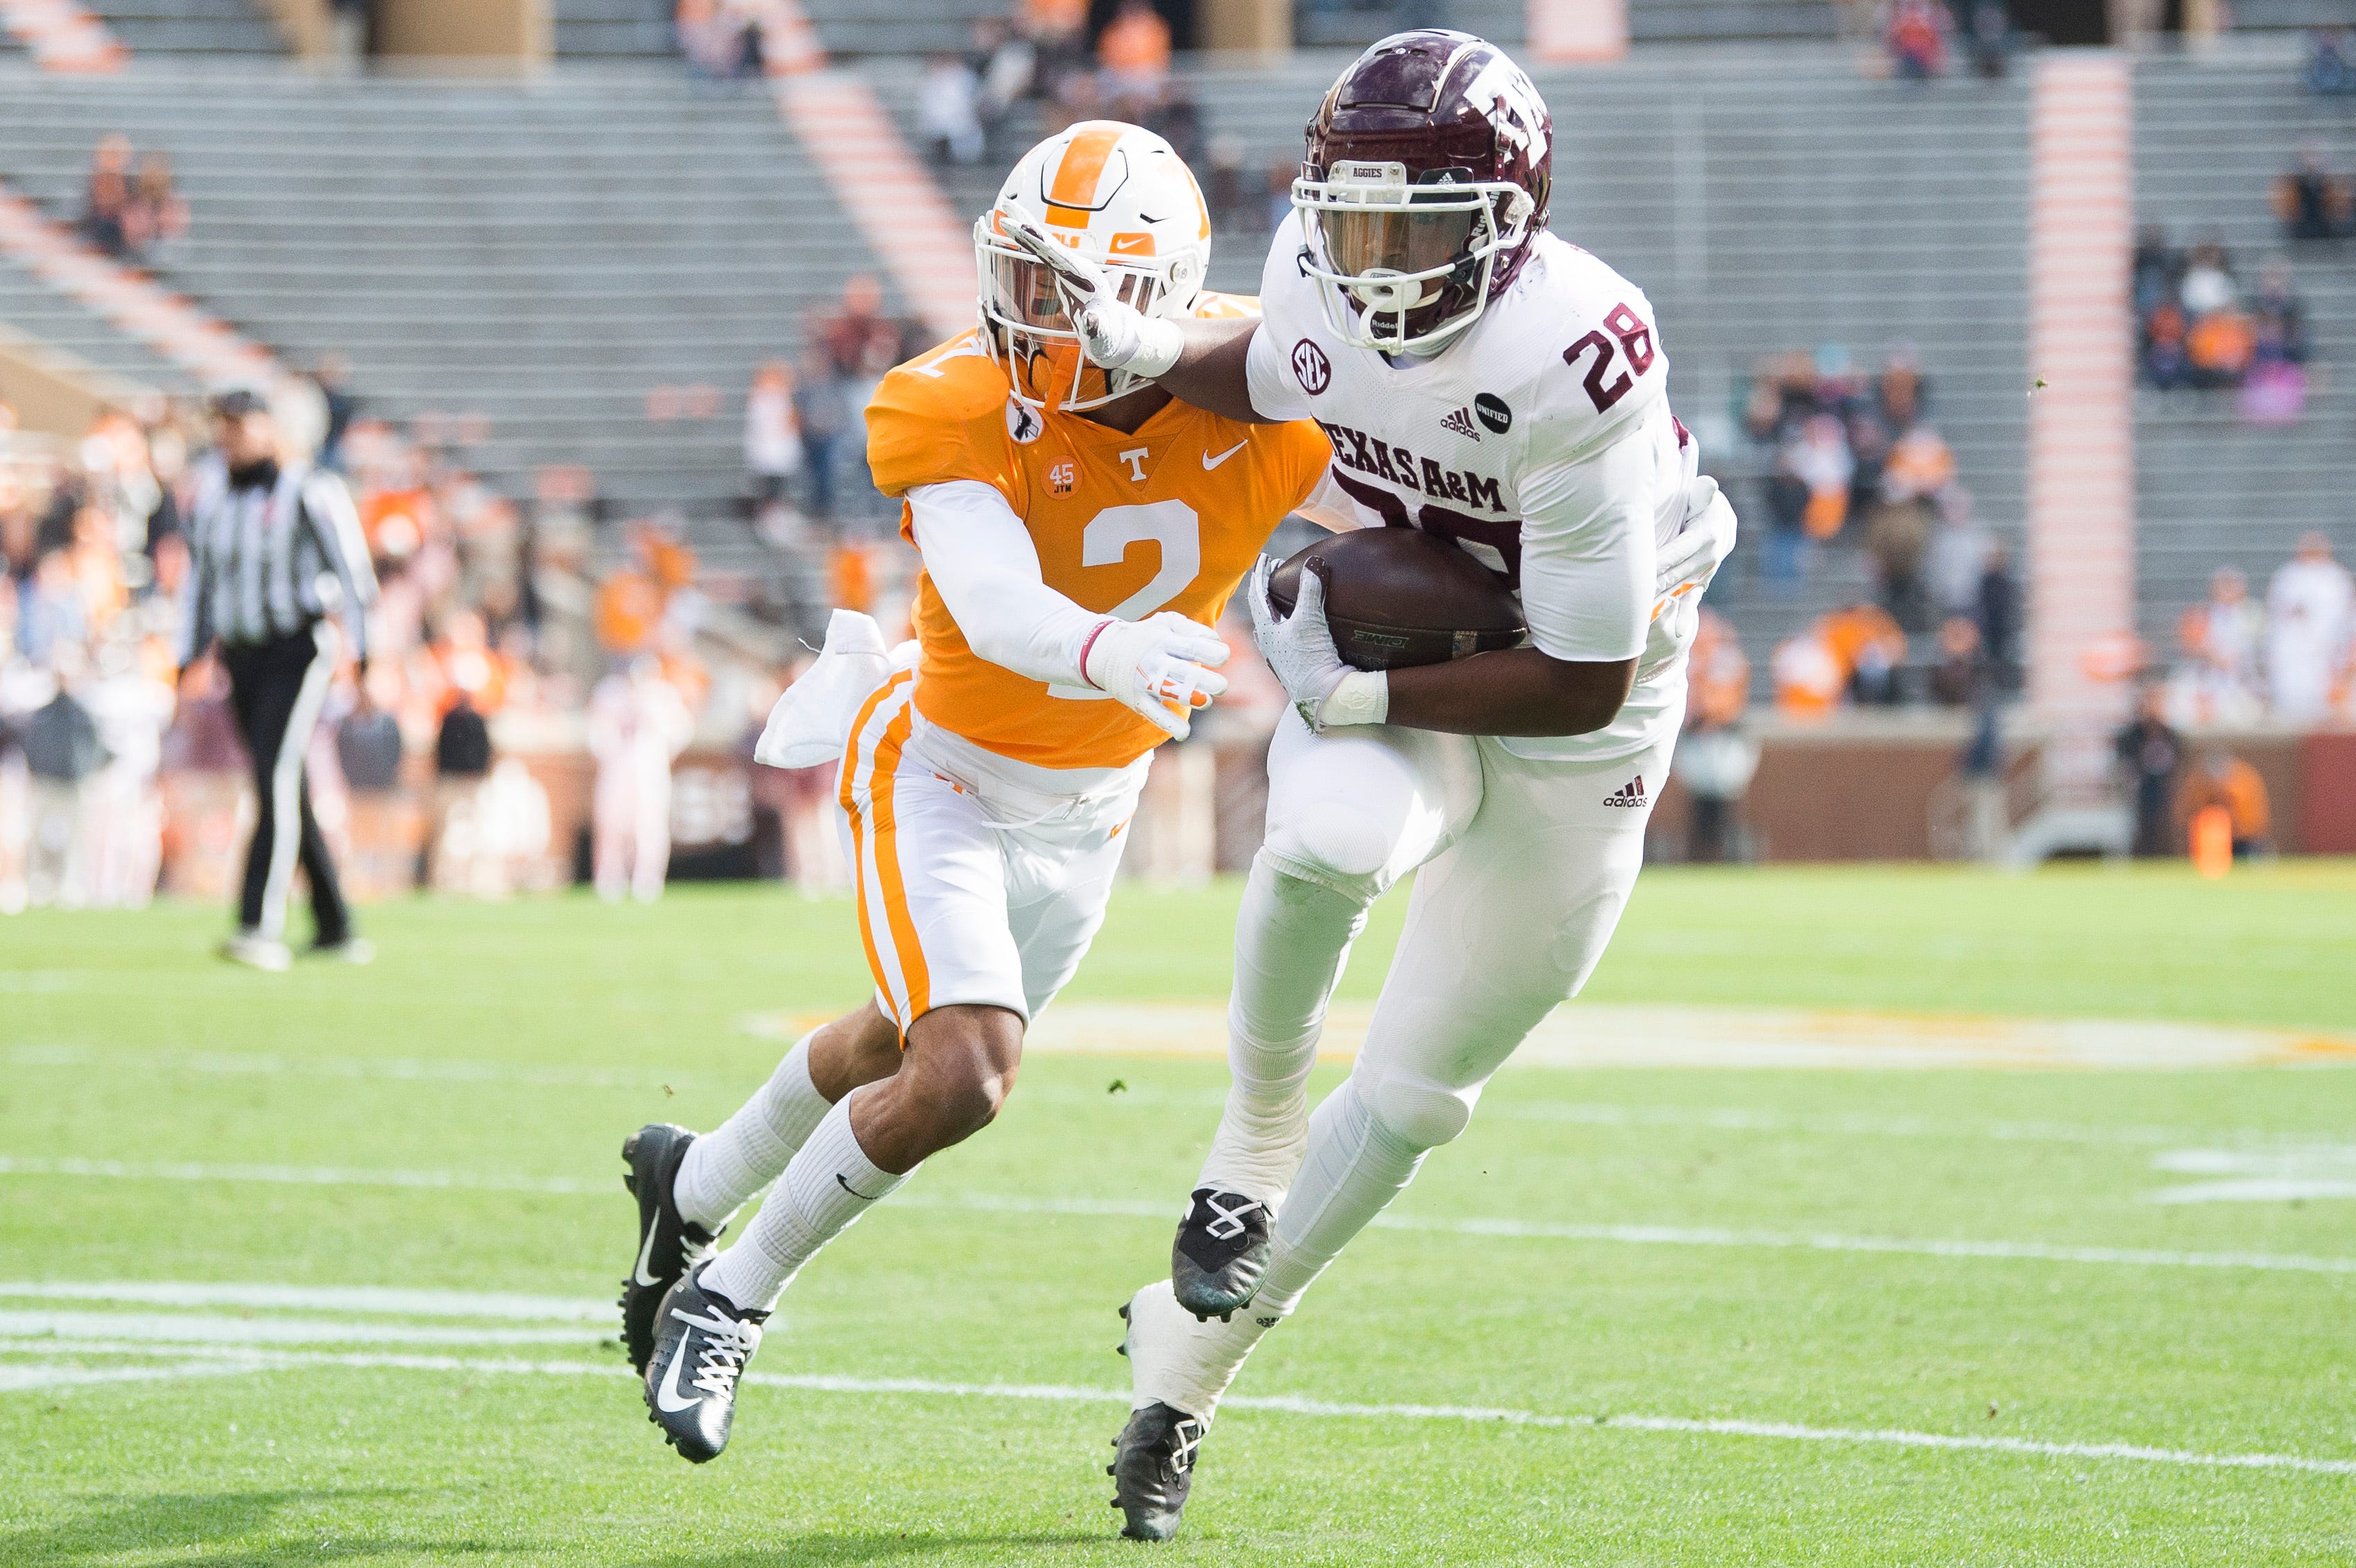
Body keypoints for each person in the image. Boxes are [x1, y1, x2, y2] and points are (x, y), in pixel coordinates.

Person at [1005, 33, 1738, 1537]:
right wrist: (1155, 358)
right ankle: (1249, 1142)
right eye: (1351, 220)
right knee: (1331, 830)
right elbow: (1280, 368)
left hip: (1581, 710)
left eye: (1413, 228)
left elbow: (1582, 675)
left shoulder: (1578, 350)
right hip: (1414, 637)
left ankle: (1185, 1373)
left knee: (1417, 1096)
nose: (1374, 258)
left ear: (1510, 226)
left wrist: (1358, 687)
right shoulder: (1314, 265)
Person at [616, 122, 1347, 1470]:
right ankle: (731, 1294)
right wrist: (1113, 648)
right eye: (1015, 277)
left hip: (1094, 805)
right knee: (965, 1070)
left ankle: (693, 1179)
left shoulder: (1275, 386)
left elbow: (1412, 493)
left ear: (1147, 298)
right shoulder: (948, 401)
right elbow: (996, 603)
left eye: (1056, 289)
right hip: (940, 764)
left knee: (905, 1046)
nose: (1019, 315)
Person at [176, 389, 378, 970]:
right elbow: (200, 582)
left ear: (271, 428)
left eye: (241, 426)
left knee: (274, 773)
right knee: (285, 784)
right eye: (224, 427)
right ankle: (337, 923)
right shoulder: (213, 498)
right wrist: (186, 658)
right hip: (240, 655)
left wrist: (366, 663)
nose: (230, 438)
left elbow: (355, 580)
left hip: (297, 648)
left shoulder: (312, 490)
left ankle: (258, 925)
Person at [587, 656, 693, 903]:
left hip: (649, 769)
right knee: (611, 824)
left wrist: (665, 752)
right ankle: (609, 880)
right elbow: (597, 731)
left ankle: (647, 881)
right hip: (617, 768)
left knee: (650, 826)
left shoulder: (663, 697)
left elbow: (681, 731)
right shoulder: (609, 694)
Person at [2265, 531, 2353, 722]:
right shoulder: (2289, 576)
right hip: (2295, 652)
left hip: (2327, 649)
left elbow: (2344, 617)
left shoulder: (2336, 578)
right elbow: (2281, 614)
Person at [2113, 683, 2184, 857]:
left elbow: (2179, 761)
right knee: (2139, 830)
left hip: (2164, 790)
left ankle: (2166, 858)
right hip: (2140, 790)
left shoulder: (2171, 735)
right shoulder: (2133, 735)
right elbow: (2123, 760)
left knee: (2164, 828)